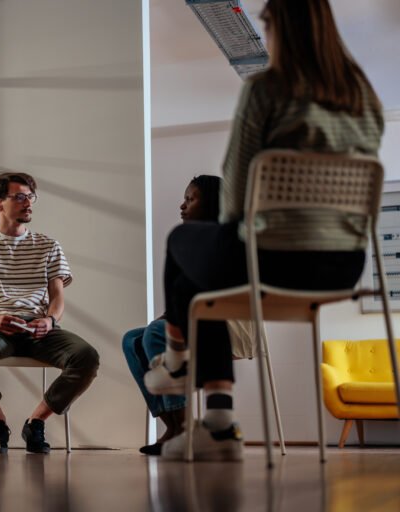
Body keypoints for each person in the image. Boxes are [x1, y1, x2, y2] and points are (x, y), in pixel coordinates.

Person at [145, 0, 383, 461]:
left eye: (267, 26)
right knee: (202, 281)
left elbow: (233, 197)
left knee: (181, 242)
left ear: (277, 29)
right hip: (343, 267)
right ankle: (217, 423)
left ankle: (178, 361)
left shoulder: (267, 89)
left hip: (275, 257)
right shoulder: (364, 97)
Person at [0, 172, 100, 453]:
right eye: (19, 197)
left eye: (31, 197)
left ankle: (35, 422)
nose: (28, 203)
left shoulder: (48, 245)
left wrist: (50, 319)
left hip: (40, 330)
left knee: (87, 356)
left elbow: (58, 297)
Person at [122, 175, 220, 455]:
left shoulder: (221, 240)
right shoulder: (186, 241)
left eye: (191, 199)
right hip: (188, 320)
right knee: (132, 339)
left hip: (220, 320)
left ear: (211, 203)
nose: (182, 205)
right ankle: (173, 425)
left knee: (155, 332)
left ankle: (186, 427)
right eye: (184, 198)